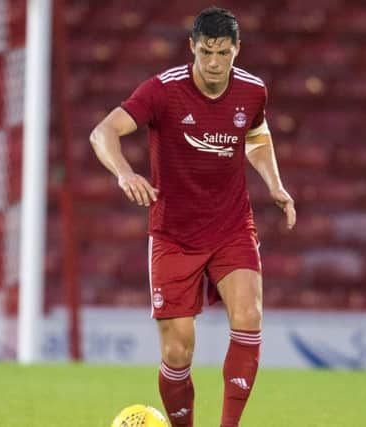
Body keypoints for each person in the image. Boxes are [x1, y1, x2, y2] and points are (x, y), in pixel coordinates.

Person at [89, 7, 295, 427]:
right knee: (178, 351)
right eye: (206, 53)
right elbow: (103, 132)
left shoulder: (253, 91)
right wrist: (125, 173)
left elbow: (256, 135)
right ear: (192, 48)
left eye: (223, 53)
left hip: (232, 226)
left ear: (237, 49)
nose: (215, 63)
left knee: (250, 316)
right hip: (174, 235)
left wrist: (274, 183)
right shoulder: (163, 91)